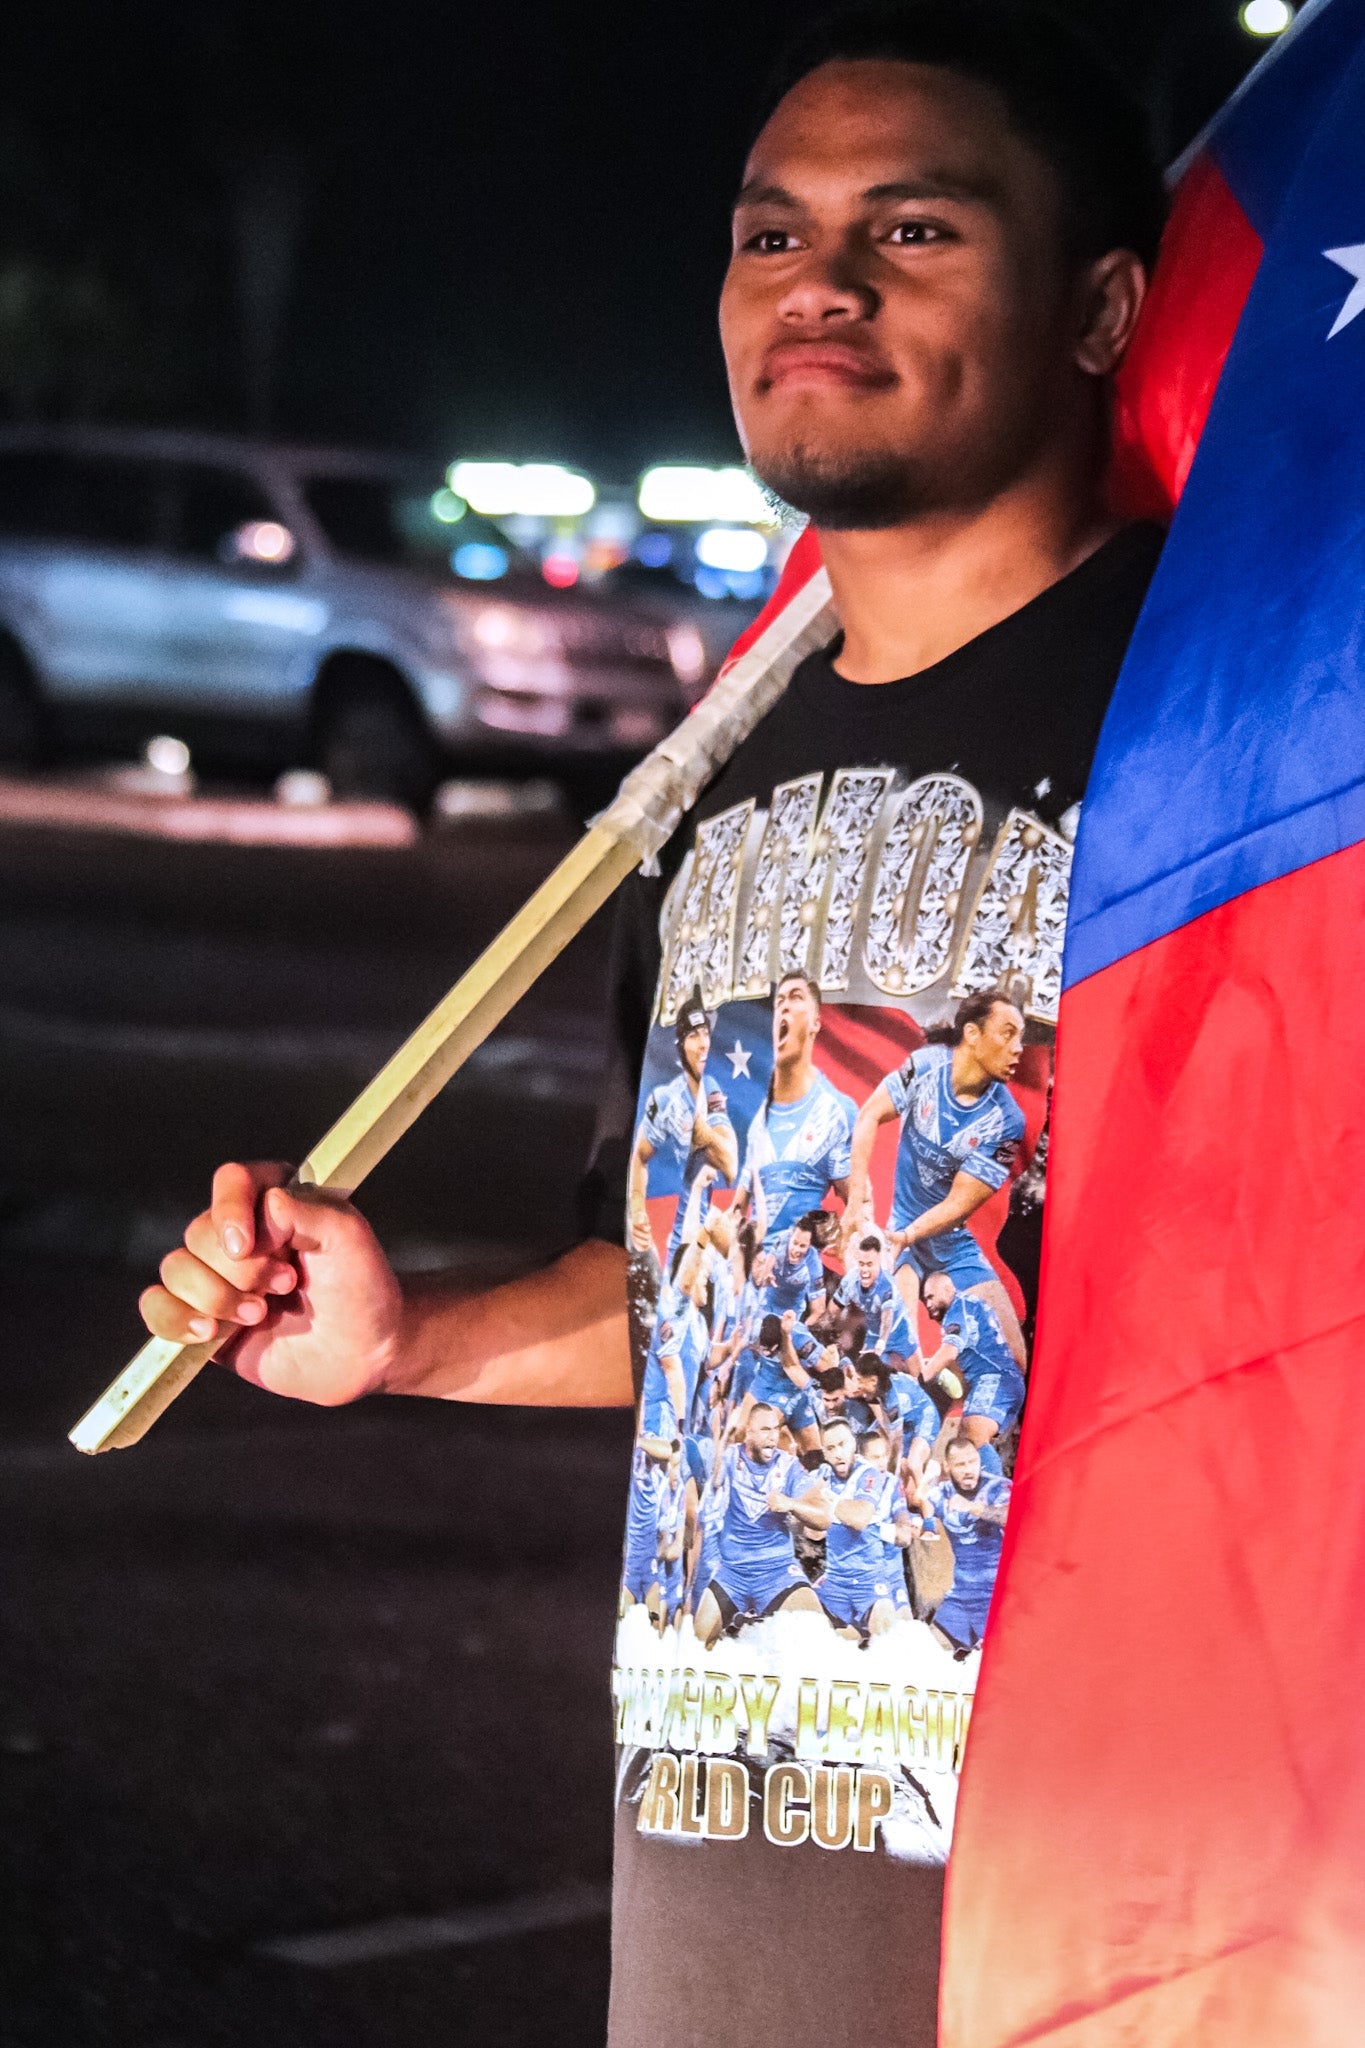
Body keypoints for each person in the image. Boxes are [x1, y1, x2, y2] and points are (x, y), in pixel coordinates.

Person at [138, 6, 1166, 2038]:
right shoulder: (703, 776)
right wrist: (410, 1340)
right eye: (772, 234)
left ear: (1099, 308)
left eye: (914, 230)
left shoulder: (1252, 727)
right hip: (735, 1828)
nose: (821, 285)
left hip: (1130, 1839)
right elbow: (700, 1276)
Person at [847, 989, 1030, 1363]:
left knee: (1014, 1361)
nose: (1018, 1049)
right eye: (1007, 1033)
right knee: (900, 1358)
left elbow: (959, 1204)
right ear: (972, 1034)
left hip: (949, 1244)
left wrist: (907, 1235)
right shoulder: (926, 1066)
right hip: (902, 1235)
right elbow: (869, 1115)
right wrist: (854, 1203)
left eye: (1021, 1038)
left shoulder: (1007, 1121)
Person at [693, 1403, 829, 1647]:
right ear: (749, 1432)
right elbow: (714, 1481)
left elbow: (823, 1518)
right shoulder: (730, 1456)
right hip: (733, 1573)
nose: (773, 1437)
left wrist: (791, 1504)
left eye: (776, 1429)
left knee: (817, 1633)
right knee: (695, 1644)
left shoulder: (788, 1466)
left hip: (777, 1572)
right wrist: (725, 1435)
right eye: (765, 1430)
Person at [733, 973, 855, 1242]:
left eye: (795, 998)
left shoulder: (836, 1111)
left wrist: (836, 1240)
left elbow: (861, 1204)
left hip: (802, 1265)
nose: (784, 1006)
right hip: (756, 1263)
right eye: (779, 1002)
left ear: (815, 1023)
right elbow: (737, 1211)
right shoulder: (759, 1124)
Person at [627, 989, 737, 1260]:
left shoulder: (711, 1091)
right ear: (680, 1044)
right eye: (693, 1035)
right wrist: (637, 1209)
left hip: (707, 1241)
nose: (703, 1044)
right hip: (681, 1241)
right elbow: (639, 1157)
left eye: (706, 1034)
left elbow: (731, 1167)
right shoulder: (666, 1099)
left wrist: (705, 1135)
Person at [812, 1416, 913, 1638]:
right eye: (875, 1458)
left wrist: (874, 1527)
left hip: (886, 1576)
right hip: (843, 1576)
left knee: (901, 1636)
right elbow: (814, 1531)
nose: (881, 1464)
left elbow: (904, 1536)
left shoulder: (891, 1485)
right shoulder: (829, 1477)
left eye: (884, 1456)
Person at [918, 1266, 1026, 1463]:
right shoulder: (968, 1304)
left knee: (971, 1443)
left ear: (948, 1289)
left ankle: (993, 1480)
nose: (929, 1304)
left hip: (994, 1380)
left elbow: (950, 1351)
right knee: (965, 1443)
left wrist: (921, 1377)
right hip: (1002, 1381)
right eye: (926, 1300)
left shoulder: (957, 1310)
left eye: (931, 1297)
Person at [921, 1432, 1012, 1653]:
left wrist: (974, 1508)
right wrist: (925, 1480)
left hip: (998, 1594)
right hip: (962, 1595)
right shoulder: (942, 1493)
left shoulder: (998, 1487)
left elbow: (1012, 1516)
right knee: (929, 1652)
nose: (969, 1469)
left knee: (996, 1660)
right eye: (960, 1465)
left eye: (972, 1462)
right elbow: (919, 1500)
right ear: (948, 1466)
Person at [752, 1210, 829, 1320]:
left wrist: (803, 1328)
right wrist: (766, 1273)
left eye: (802, 1246)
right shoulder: (783, 1238)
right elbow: (770, 1259)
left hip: (790, 1315)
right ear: (790, 1237)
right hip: (766, 1304)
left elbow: (819, 1309)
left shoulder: (814, 1264)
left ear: (809, 1246)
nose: (796, 1250)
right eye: (795, 1243)